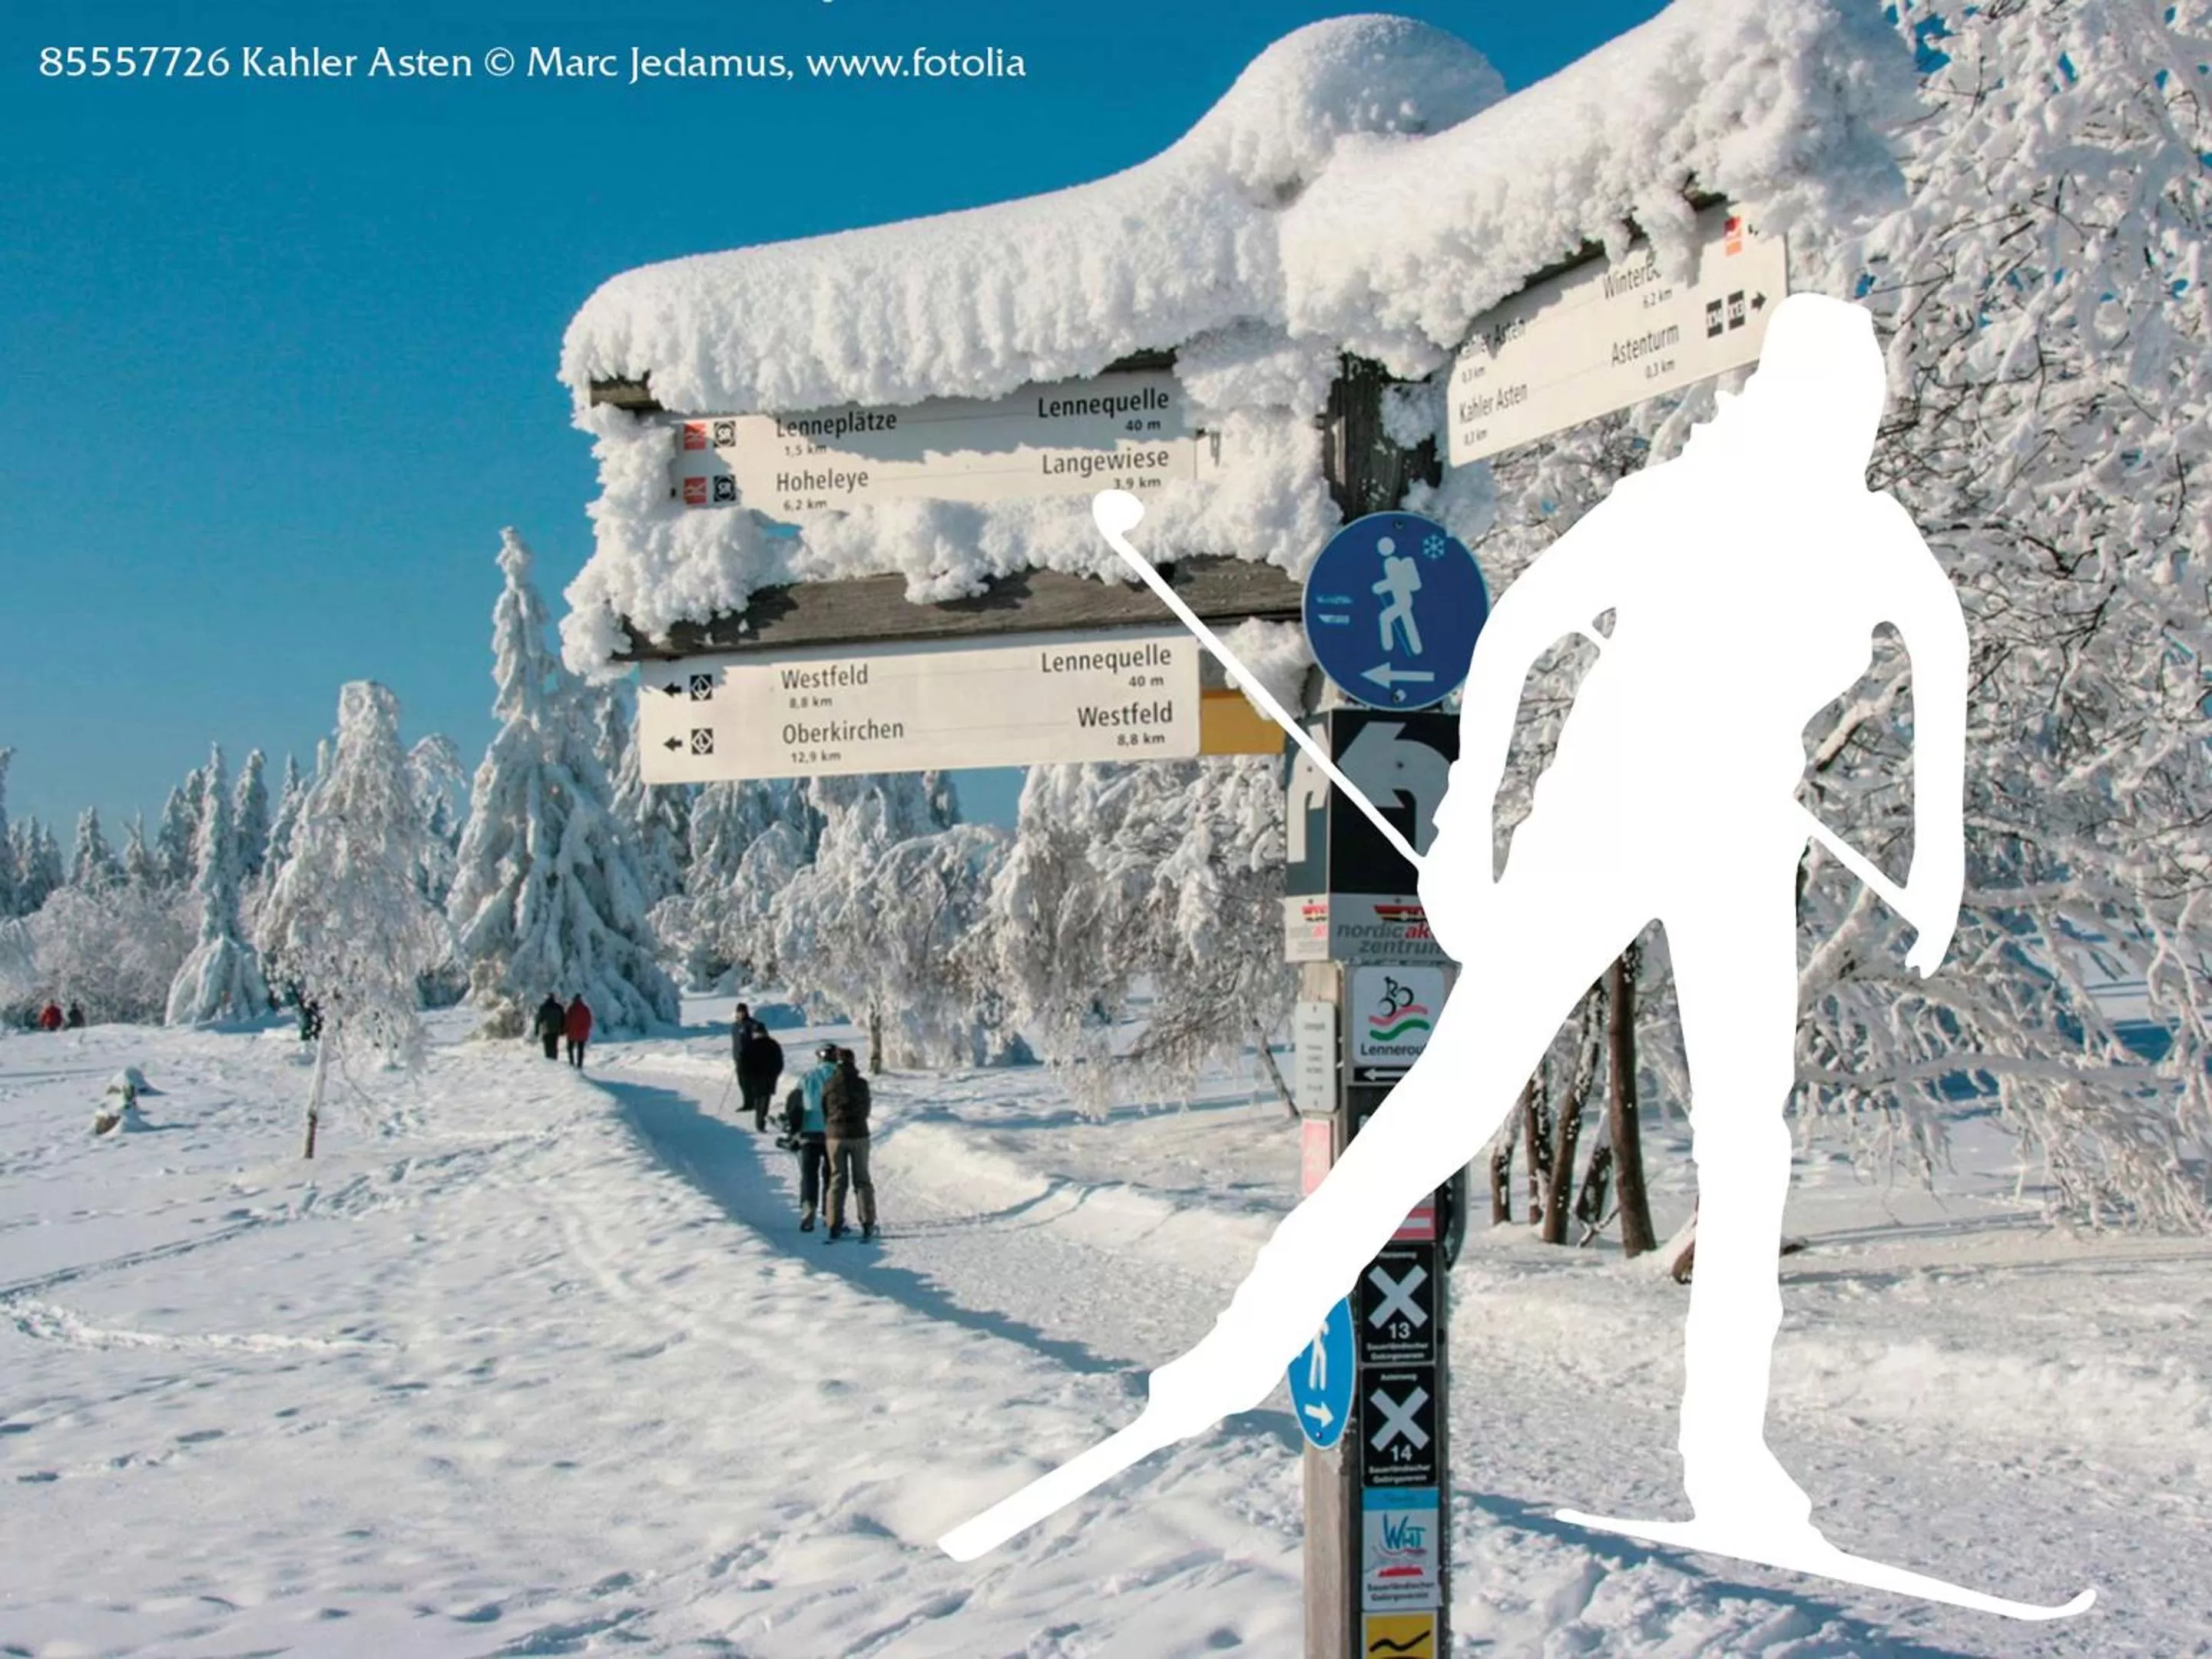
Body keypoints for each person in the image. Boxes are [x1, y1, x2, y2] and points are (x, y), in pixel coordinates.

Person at [949, 296, 1972, 1578]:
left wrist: (1939, 857)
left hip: (1736, 844)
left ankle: (1728, 1457)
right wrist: (1473, 828)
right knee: (1449, 1104)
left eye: (1849, 413)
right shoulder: (1675, 503)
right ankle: (1241, 1345)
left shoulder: (1869, 539)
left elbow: (1942, 658)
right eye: (1816, 407)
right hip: (1604, 811)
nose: (1833, 433)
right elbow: (1523, 629)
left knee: (1746, 1149)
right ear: (1775, 403)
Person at [782, 1041, 839, 1231]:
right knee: (831, 1175)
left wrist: (793, 1130)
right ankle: (830, 1213)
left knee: (809, 1173)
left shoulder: (808, 1077)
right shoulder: (839, 1077)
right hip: (833, 1133)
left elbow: (794, 1103)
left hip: (808, 1133)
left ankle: (808, 1206)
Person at [822, 1045, 877, 1242]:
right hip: (859, 1134)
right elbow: (867, 1109)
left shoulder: (829, 1084)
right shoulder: (861, 1084)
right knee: (862, 1179)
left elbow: (824, 1109)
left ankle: (834, 1224)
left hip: (835, 1136)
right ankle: (868, 1222)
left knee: (837, 1179)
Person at [735, 1008, 785, 1131]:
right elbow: (779, 1062)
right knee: (765, 1099)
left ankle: (760, 1120)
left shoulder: (750, 1045)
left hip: (755, 1077)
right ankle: (761, 1120)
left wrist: (745, 1075)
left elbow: (743, 1063)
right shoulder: (773, 1044)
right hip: (769, 1077)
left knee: (758, 1097)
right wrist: (775, 1074)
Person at [533, 992, 565, 1061]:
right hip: (556, 1030)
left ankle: (549, 1061)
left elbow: (539, 1019)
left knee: (548, 1046)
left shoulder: (544, 1007)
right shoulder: (559, 1007)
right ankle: (554, 1059)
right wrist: (563, 1030)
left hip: (546, 1030)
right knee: (554, 1045)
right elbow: (563, 1019)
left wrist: (537, 1030)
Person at [564, 993, 593, 1068]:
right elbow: (589, 1021)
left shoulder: (571, 1009)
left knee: (570, 1049)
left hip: (572, 1033)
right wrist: (586, 1030)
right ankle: (580, 1065)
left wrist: (566, 1029)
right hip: (582, 1033)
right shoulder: (585, 1009)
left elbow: (567, 1020)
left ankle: (572, 1063)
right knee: (580, 1050)